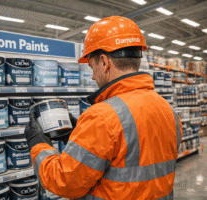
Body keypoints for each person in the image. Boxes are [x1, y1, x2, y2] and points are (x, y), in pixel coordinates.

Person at [24, 16, 182, 200]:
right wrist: (80, 136)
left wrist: (38, 144)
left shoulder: (103, 116)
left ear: (104, 62)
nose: (92, 77)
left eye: (92, 67)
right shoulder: (167, 109)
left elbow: (64, 182)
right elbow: (131, 156)